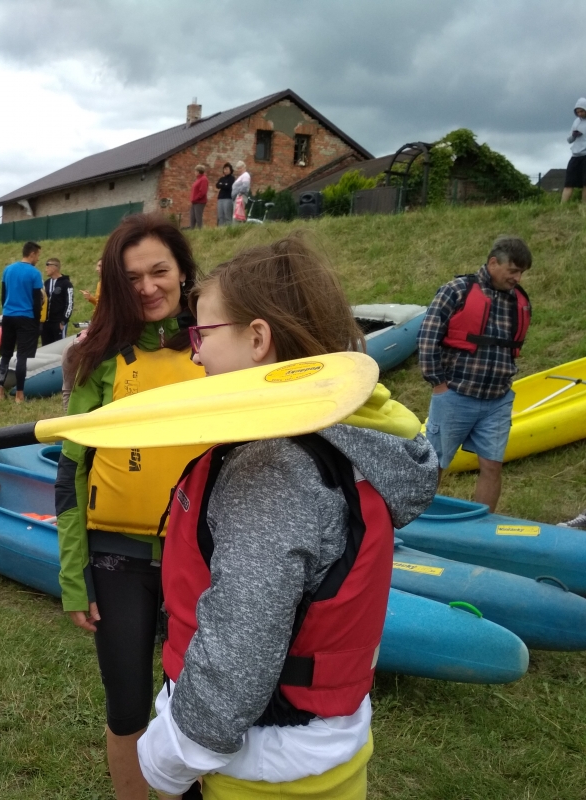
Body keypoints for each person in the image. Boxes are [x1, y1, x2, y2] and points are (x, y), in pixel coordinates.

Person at [137, 232, 437, 799]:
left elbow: (241, 650)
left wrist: (169, 757)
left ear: (257, 339)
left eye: (202, 334)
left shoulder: (273, 469)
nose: (195, 352)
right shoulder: (356, 434)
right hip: (326, 757)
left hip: (261, 770)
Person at [55, 214, 206, 800]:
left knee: (196, 700)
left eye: (159, 271)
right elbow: (71, 471)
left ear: (183, 272)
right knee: (126, 705)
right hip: (116, 556)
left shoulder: (217, 347)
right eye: (132, 277)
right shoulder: (98, 358)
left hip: (199, 552)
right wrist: (75, 576)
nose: (147, 287)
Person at [418, 236, 532, 513]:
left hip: (497, 400)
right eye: (513, 270)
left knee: (492, 465)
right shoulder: (456, 290)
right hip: (455, 395)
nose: (517, 278)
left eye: (521, 273)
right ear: (494, 263)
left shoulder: (517, 301)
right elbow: (427, 338)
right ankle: (419, 519)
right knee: (436, 463)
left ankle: (481, 526)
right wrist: (439, 385)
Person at [0, 241, 44, 403]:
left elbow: (3, 295)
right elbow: (37, 301)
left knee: (5, 355)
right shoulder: (34, 273)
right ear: (32, 254)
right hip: (27, 317)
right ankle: (19, 394)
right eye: (37, 255)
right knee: (22, 357)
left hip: (8, 315)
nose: (38, 259)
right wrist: (37, 322)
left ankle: (0, 390)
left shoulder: (8, 270)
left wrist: (7, 310)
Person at [42, 257, 74, 346]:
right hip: (46, 323)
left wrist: (64, 321)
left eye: (47, 266)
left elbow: (70, 304)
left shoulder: (66, 284)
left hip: (58, 322)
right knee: (46, 347)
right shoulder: (46, 283)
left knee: (59, 347)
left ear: (54, 267)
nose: (46, 269)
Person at [562, 98, 586, 203]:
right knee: (569, 183)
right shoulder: (576, 122)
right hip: (576, 155)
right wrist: (574, 135)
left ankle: (583, 206)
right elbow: (569, 140)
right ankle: (562, 207)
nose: (580, 114)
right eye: (578, 112)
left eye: (582, 111)